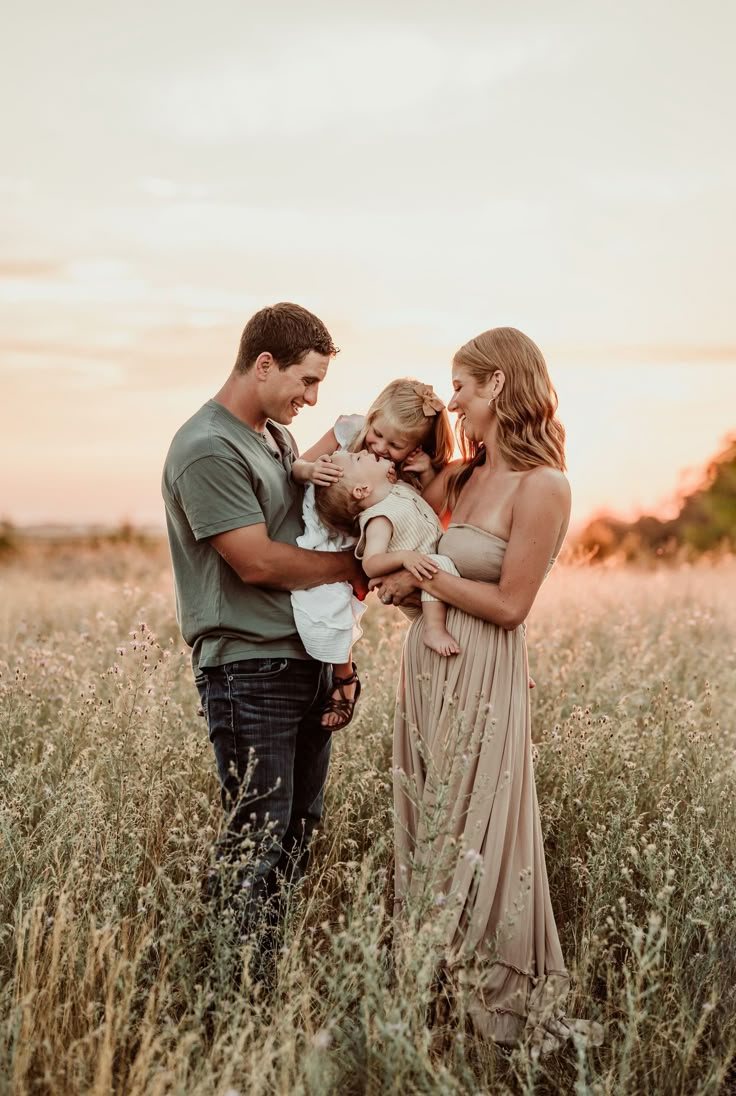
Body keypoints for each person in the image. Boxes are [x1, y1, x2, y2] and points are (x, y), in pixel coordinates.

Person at [371, 327, 601, 1054]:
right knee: (430, 827)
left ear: (498, 384)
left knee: (484, 829)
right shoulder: (458, 479)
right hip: (427, 668)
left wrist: (424, 573)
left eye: (463, 388)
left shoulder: (544, 487)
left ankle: (504, 1009)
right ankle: (434, 997)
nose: (455, 404)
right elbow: (359, 465)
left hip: (485, 669)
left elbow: (510, 605)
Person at [161, 302, 366, 933]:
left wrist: (342, 661)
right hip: (248, 669)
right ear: (264, 363)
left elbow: (309, 535)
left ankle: (264, 1002)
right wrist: (359, 573)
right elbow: (256, 562)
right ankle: (229, 1005)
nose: (311, 398)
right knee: (256, 842)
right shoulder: (206, 447)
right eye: (306, 381)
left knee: (299, 835)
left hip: (305, 660)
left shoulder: (274, 439)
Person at [290, 380, 455, 728]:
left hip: (365, 538)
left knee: (339, 603)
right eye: (378, 434)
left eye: (395, 445)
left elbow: (422, 511)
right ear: (373, 415)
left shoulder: (398, 471)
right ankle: (337, 676)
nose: (379, 448)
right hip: (322, 524)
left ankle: (342, 675)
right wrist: (311, 470)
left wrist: (422, 472)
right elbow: (295, 467)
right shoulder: (348, 430)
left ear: (414, 447)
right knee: (317, 599)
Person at [312, 446, 461, 654]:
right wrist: (403, 558)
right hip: (422, 594)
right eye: (356, 459)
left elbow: (427, 502)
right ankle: (433, 630)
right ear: (362, 489)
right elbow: (371, 563)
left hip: (435, 576)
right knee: (439, 564)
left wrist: (425, 470)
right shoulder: (379, 519)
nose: (363, 452)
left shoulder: (398, 490)